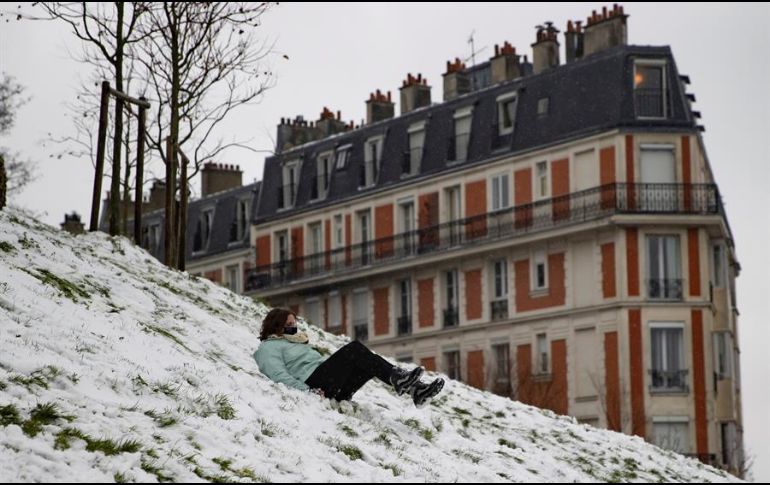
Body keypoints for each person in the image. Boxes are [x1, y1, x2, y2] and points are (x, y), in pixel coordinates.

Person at [253, 308, 444, 406]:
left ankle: (416, 391)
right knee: (354, 350)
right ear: (276, 325)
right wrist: (306, 390)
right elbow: (278, 375)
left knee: (367, 362)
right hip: (315, 384)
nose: (294, 327)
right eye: (289, 323)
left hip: (332, 387)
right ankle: (399, 378)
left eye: (294, 323)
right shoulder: (268, 348)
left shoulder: (295, 341)